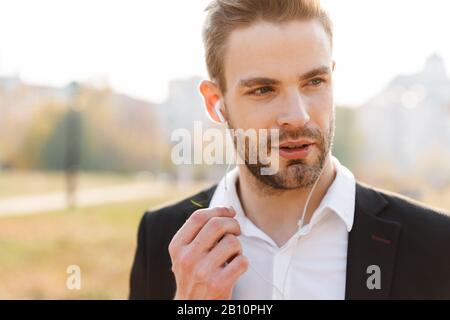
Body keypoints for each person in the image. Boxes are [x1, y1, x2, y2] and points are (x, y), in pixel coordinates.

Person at [129, 0, 450, 300]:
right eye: (263, 90)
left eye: (314, 82)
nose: (298, 115)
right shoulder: (162, 238)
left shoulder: (436, 243)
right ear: (216, 102)